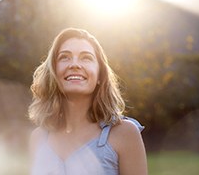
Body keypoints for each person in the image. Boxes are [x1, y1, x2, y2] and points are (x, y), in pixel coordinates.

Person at [29, 28, 147, 175]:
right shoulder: (39, 138)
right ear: (53, 71)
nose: (75, 64)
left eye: (86, 58)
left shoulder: (124, 133)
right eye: (64, 57)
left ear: (99, 75)